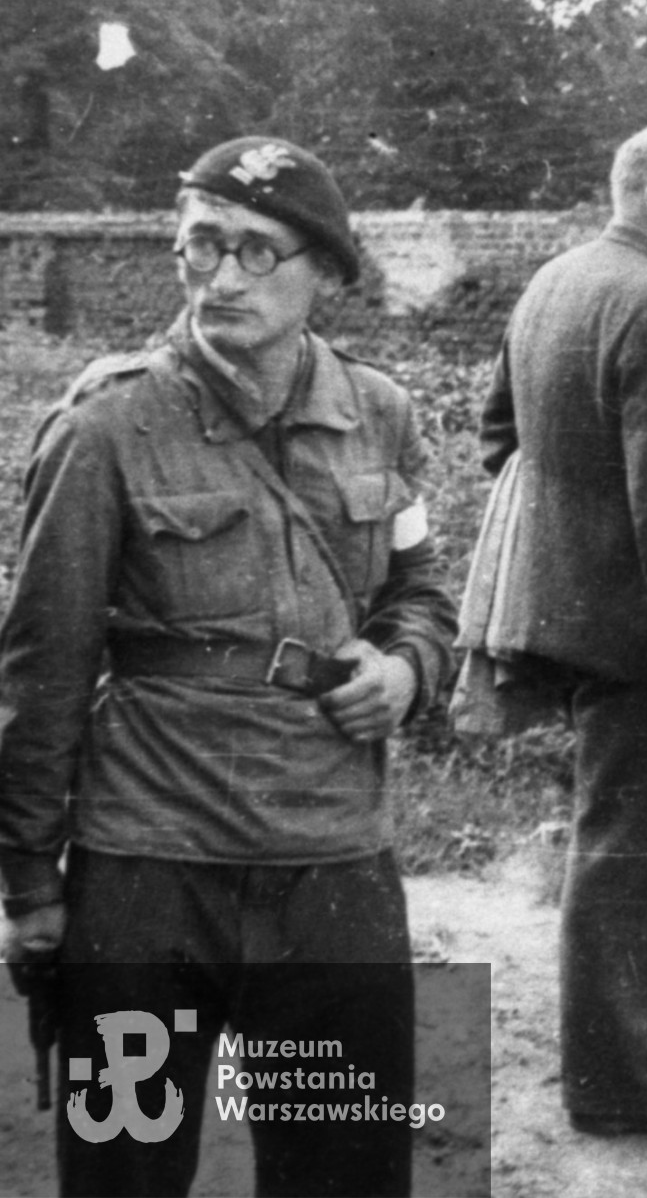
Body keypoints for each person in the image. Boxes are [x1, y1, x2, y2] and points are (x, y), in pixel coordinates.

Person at [0, 136, 456, 1196]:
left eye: (258, 250)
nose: (224, 276)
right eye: (203, 244)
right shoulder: (105, 424)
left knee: (344, 1172)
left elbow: (422, 592)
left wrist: (406, 670)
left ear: (325, 272)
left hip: (333, 869)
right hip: (148, 875)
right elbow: (41, 671)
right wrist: (29, 883)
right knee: (123, 1171)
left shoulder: (380, 413)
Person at [469, 118, 647, 1135]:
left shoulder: (558, 277)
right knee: (637, 833)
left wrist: (572, 522)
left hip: (564, 603)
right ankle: (617, 1082)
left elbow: (499, 435)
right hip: (640, 624)